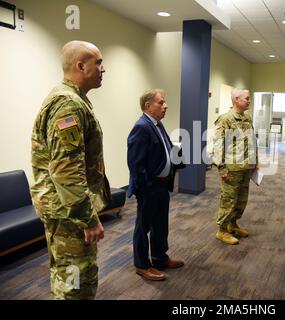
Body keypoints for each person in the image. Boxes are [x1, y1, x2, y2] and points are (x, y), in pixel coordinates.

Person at [30, 41, 111, 299]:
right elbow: (66, 170)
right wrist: (86, 217)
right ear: (80, 66)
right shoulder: (68, 105)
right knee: (75, 282)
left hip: (65, 210)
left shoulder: (74, 99)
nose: (103, 68)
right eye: (98, 62)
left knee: (69, 275)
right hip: (69, 213)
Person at [127, 89, 184, 281]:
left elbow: (165, 149)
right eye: (161, 102)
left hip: (161, 186)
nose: (165, 105)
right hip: (149, 187)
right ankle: (142, 265)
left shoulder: (157, 125)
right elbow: (135, 163)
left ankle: (160, 258)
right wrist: (145, 187)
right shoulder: (141, 127)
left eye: (165, 102)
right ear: (148, 106)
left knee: (160, 225)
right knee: (143, 227)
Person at [213, 89, 258, 245]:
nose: (249, 101)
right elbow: (218, 145)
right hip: (232, 168)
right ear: (236, 99)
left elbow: (252, 140)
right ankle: (222, 230)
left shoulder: (247, 118)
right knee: (229, 199)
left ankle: (233, 225)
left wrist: (255, 160)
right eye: (247, 98)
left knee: (241, 200)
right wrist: (221, 168)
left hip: (246, 167)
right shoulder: (225, 119)